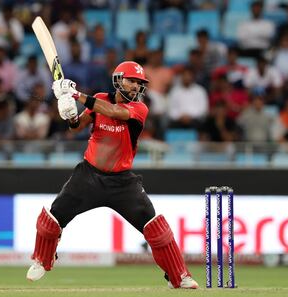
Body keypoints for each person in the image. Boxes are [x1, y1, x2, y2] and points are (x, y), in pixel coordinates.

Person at [25, 61, 199, 289]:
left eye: (139, 83)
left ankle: (179, 276)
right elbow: (76, 126)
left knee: (156, 228)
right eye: (131, 81)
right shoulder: (100, 98)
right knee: (53, 218)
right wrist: (68, 112)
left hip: (122, 182)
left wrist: (75, 94)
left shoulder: (139, 109)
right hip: (88, 176)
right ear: (118, 80)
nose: (136, 86)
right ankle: (41, 259)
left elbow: (114, 111)